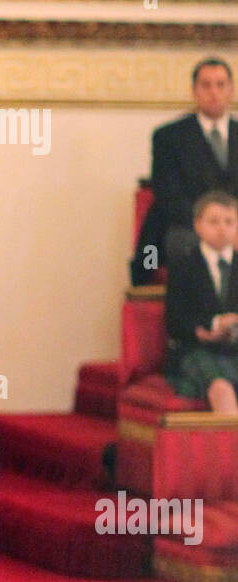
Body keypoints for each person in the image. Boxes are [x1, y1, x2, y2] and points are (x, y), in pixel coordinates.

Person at [133, 57, 238, 283]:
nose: (214, 92)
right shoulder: (169, 137)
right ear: (194, 91)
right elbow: (167, 194)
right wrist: (207, 226)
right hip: (187, 226)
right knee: (180, 245)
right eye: (206, 85)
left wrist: (230, 227)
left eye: (220, 85)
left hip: (235, 227)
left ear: (231, 90)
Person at [163, 190, 238, 414]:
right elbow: (174, 321)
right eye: (214, 221)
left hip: (234, 349)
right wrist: (207, 328)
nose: (222, 228)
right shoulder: (183, 265)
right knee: (221, 387)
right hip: (197, 349)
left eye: (229, 221)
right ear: (198, 225)